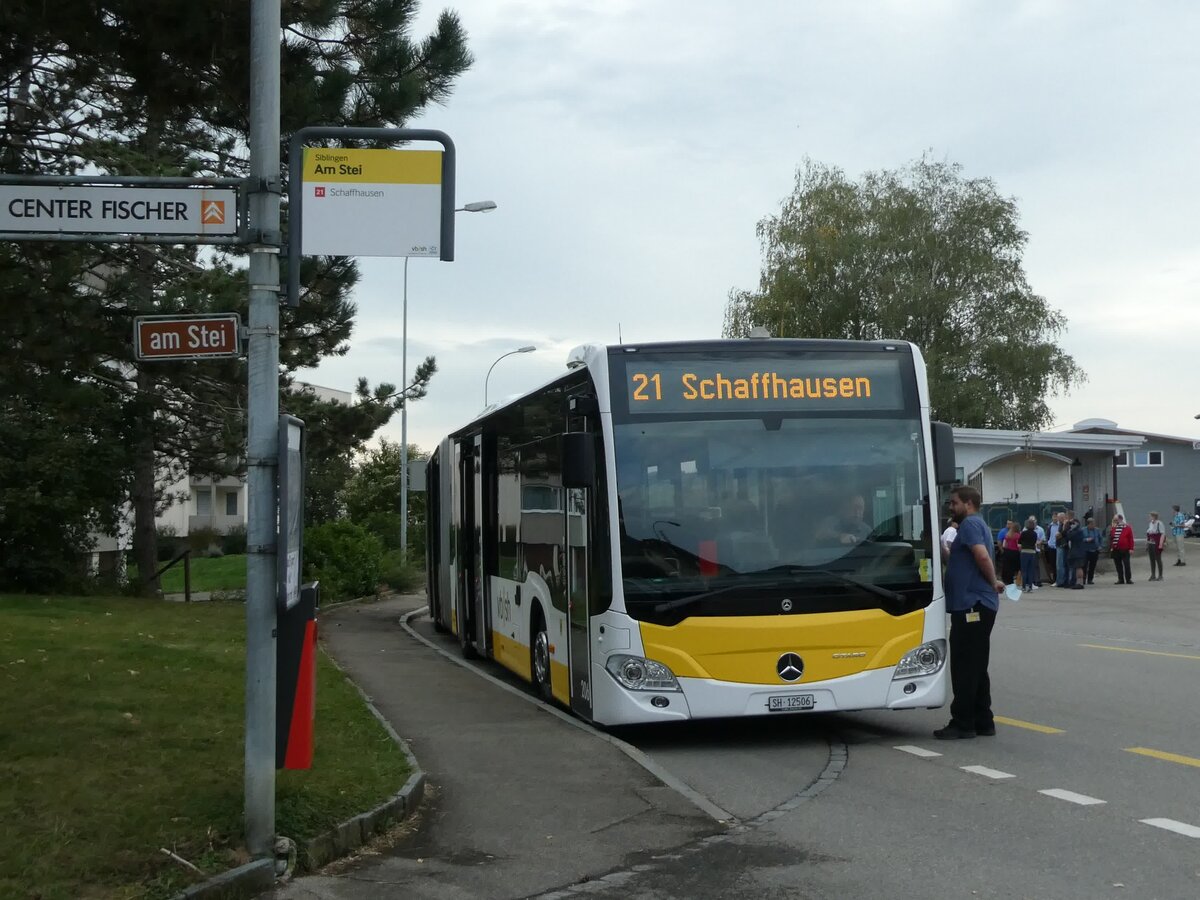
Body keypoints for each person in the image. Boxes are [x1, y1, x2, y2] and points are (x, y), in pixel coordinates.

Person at [935, 485, 1004, 740]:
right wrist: (938, 549)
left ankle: (963, 722)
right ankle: (983, 720)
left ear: (968, 504)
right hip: (974, 604)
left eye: (954, 503)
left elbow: (982, 556)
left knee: (964, 665)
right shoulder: (973, 526)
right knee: (976, 664)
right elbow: (958, 558)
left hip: (972, 604)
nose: (950, 507)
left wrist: (992, 581)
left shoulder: (970, 525)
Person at [1017, 517, 1041, 593]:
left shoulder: (1023, 533)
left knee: (1024, 570)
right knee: (1031, 570)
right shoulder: (1035, 534)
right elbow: (1035, 542)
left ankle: (1024, 586)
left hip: (1024, 552)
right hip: (1032, 552)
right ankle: (1030, 586)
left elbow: (1019, 542)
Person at [1110, 514, 1134, 585]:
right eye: (1114, 520)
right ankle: (1120, 579)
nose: (1115, 521)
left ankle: (1128, 579)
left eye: (1116, 520)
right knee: (1118, 565)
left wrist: (1131, 548)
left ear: (1120, 519)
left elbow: (1130, 538)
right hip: (1115, 549)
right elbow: (1111, 538)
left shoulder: (1127, 527)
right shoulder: (1113, 527)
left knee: (1126, 564)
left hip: (1125, 549)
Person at [1064, 514, 1087, 589]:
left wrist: (1069, 529)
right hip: (1075, 552)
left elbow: (1070, 536)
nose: (1071, 525)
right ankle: (1074, 582)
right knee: (1075, 568)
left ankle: (1080, 583)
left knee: (1078, 567)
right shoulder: (1075, 530)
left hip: (1078, 552)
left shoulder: (1078, 531)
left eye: (1072, 523)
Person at [1046, 512, 1066, 587]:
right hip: (1051, 546)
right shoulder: (1050, 526)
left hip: (1058, 546)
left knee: (1059, 564)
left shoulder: (1060, 525)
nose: (1055, 518)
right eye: (1053, 517)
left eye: (1056, 517)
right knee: (1053, 565)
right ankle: (1054, 579)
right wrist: (1048, 542)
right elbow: (1048, 535)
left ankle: (1060, 580)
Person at [1081, 516, 1103, 585]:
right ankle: (1083, 579)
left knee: (1092, 566)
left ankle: (1090, 579)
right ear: (1088, 524)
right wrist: (1086, 540)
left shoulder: (1097, 530)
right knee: (1084, 566)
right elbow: (1080, 539)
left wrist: (1100, 546)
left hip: (1095, 550)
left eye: (1094, 524)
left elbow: (1100, 538)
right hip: (1086, 550)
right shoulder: (1083, 530)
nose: (1093, 525)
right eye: (1092, 524)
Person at [1146, 511, 1167, 581]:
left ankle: (1160, 575)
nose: (1149, 517)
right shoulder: (1150, 524)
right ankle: (1153, 575)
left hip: (1156, 543)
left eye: (1150, 516)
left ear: (1154, 516)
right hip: (1151, 543)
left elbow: (1162, 534)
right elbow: (1149, 533)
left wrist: (1161, 544)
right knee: (1152, 559)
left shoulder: (1159, 523)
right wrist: (1147, 543)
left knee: (1158, 559)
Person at [999, 519, 1021, 585]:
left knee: (1007, 567)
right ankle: (1017, 580)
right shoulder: (1017, 535)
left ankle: (1007, 580)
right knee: (1015, 567)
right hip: (1015, 552)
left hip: (1007, 551)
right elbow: (1018, 545)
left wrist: (1004, 550)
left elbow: (1004, 544)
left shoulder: (1007, 534)